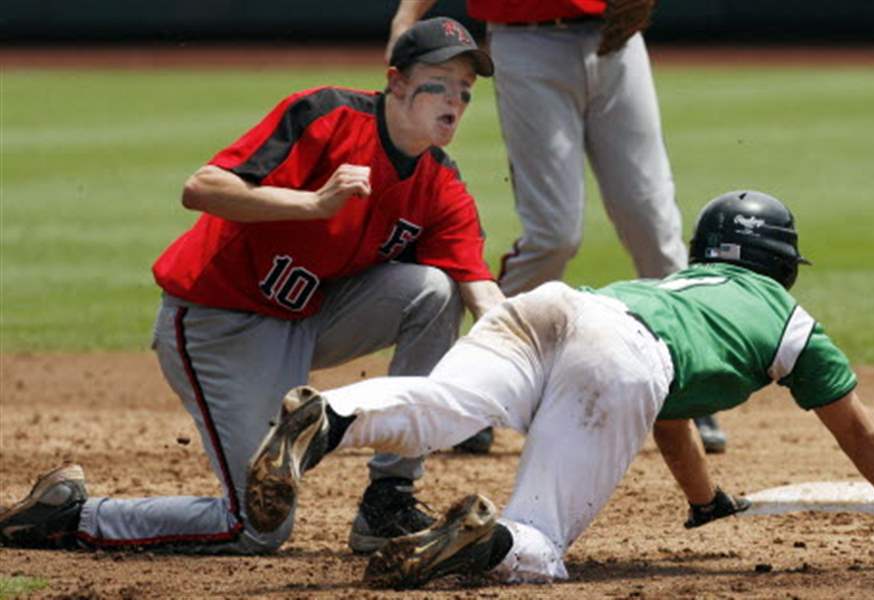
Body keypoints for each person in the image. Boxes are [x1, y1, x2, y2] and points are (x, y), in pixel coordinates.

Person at [242, 190, 874, 587]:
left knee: (441, 410)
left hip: (562, 307)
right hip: (624, 357)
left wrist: (704, 502)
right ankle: (484, 541)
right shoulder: (791, 321)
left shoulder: (676, 285)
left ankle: (329, 413)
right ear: (783, 264)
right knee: (542, 544)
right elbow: (859, 432)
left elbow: (671, 419)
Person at [0, 17, 506, 555]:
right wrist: (313, 204)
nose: (454, 99)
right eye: (439, 83)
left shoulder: (440, 183)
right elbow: (201, 188)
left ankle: (389, 499)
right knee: (257, 527)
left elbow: (479, 289)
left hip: (305, 320)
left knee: (435, 290)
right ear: (397, 82)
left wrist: (527, 353)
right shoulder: (328, 116)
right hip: (216, 322)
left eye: (465, 91)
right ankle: (71, 518)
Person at [385, 0, 728, 454]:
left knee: (653, 224)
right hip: (526, 40)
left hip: (615, 39)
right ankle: (480, 380)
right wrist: (406, 16)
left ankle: (688, 382)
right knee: (553, 234)